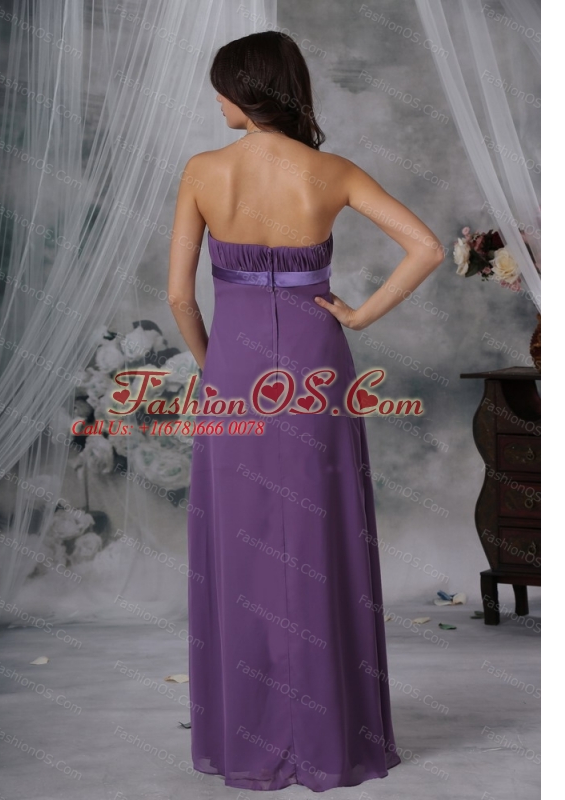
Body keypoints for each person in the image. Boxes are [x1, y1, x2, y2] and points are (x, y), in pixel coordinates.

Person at [168, 30, 443, 793]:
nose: (216, 99)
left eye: (222, 86)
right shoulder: (333, 172)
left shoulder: (203, 171)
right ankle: (328, 734)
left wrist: (214, 369)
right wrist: (359, 316)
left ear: (246, 91)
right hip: (318, 367)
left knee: (242, 541)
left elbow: (181, 297)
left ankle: (252, 732)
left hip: (235, 370)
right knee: (321, 535)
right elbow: (425, 247)